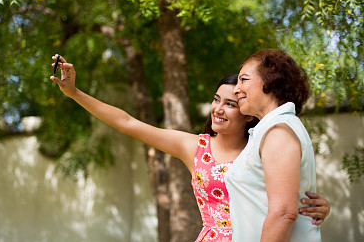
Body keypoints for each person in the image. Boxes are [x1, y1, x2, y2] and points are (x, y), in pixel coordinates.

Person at [50, 54, 329, 241]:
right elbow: (127, 122)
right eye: (216, 99)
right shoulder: (195, 147)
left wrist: (317, 208)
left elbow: (284, 204)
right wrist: (74, 92)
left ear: (246, 110)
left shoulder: (261, 144)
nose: (218, 109)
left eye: (231, 103)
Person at [226, 48, 324, 242]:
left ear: (270, 81)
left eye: (243, 80)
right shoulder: (268, 130)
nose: (236, 89)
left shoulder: (278, 132)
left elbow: (284, 214)